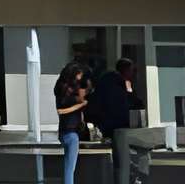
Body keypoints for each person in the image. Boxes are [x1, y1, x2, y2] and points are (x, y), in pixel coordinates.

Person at [93, 56, 153, 184]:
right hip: (121, 127)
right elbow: (133, 105)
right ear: (126, 71)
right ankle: (135, 177)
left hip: (109, 125)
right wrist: (130, 91)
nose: (134, 74)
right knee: (129, 159)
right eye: (132, 71)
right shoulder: (121, 86)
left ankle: (131, 177)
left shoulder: (106, 82)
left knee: (120, 161)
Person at [55, 60, 92, 184]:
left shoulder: (62, 88)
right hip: (71, 133)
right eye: (79, 74)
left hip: (65, 131)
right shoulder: (67, 91)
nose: (80, 77)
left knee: (69, 166)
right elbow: (61, 111)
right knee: (70, 168)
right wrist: (80, 105)